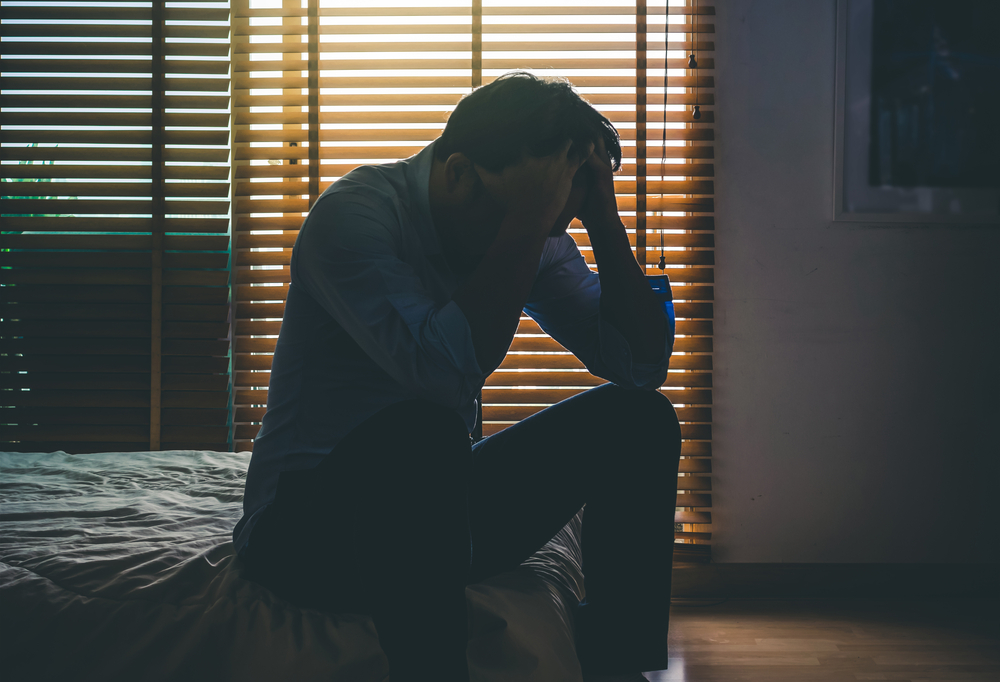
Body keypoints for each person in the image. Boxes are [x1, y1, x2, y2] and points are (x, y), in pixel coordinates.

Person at [234, 72, 682, 682]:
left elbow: (639, 368)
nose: (536, 232)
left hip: (431, 520)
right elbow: (440, 377)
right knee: (424, 428)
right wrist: (527, 222)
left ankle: (615, 662)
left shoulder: (534, 231)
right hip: (305, 534)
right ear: (457, 172)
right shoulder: (353, 221)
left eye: (552, 216)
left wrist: (601, 224)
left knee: (640, 420)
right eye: (522, 210)